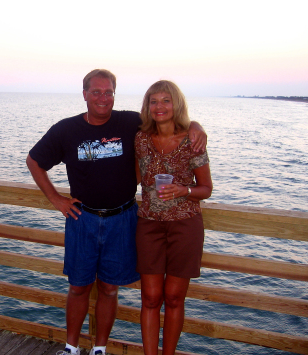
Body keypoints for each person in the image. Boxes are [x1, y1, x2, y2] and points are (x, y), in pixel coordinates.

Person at [26, 69, 207, 355]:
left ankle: (100, 348)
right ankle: (71, 348)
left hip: (123, 219)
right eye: (96, 92)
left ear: (114, 94)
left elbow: (167, 121)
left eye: (108, 92)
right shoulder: (67, 129)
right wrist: (56, 199)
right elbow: (34, 160)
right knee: (78, 287)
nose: (102, 97)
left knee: (110, 289)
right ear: (84, 94)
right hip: (82, 218)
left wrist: (197, 126)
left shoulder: (130, 122)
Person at [134, 80, 213, 355]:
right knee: (151, 297)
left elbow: (206, 189)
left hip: (185, 225)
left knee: (174, 298)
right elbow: (132, 177)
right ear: (147, 106)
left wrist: (184, 190)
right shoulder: (140, 139)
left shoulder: (193, 141)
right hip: (149, 224)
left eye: (166, 100)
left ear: (176, 104)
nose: (160, 106)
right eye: (153, 101)